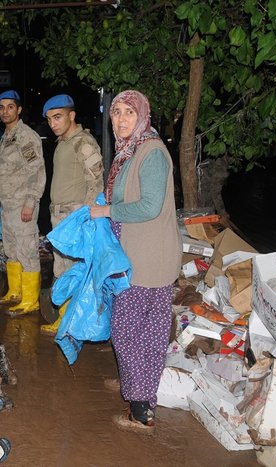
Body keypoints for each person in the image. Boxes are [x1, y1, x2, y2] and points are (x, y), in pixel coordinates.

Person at [89, 90, 180, 434]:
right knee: (143, 330)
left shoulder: (151, 152)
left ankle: (141, 407)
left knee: (129, 331)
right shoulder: (132, 150)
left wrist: (106, 210)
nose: (122, 119)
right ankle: (138, 385)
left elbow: (149, 206)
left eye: (129, 112)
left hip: (148, 258)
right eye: (116, 113)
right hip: (139, 253)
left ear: (142, 115)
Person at [41, 94, 104, 336]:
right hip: (60, 216)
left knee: (74, 271)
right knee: (63, 270)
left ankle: (72, 323)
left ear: (71, 115)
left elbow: (96, 182)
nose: (53, 124)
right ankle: (66, 320)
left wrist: (85, 217)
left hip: (75, 216)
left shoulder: (83, 142)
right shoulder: (63, 142)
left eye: (57, 117)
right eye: (49, 119)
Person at [0, 90, 46, 316]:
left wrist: (30, 202)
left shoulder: (26, 136)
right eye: (2, 107)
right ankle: (16, 293)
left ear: (18, 110)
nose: (5, 111)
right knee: (12, 250)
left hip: (22, 204)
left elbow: (36, 172)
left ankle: (30, 300)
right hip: (8, 204)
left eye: (10, 107)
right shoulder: (7, 136)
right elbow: (9, 172)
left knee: (27, 251)